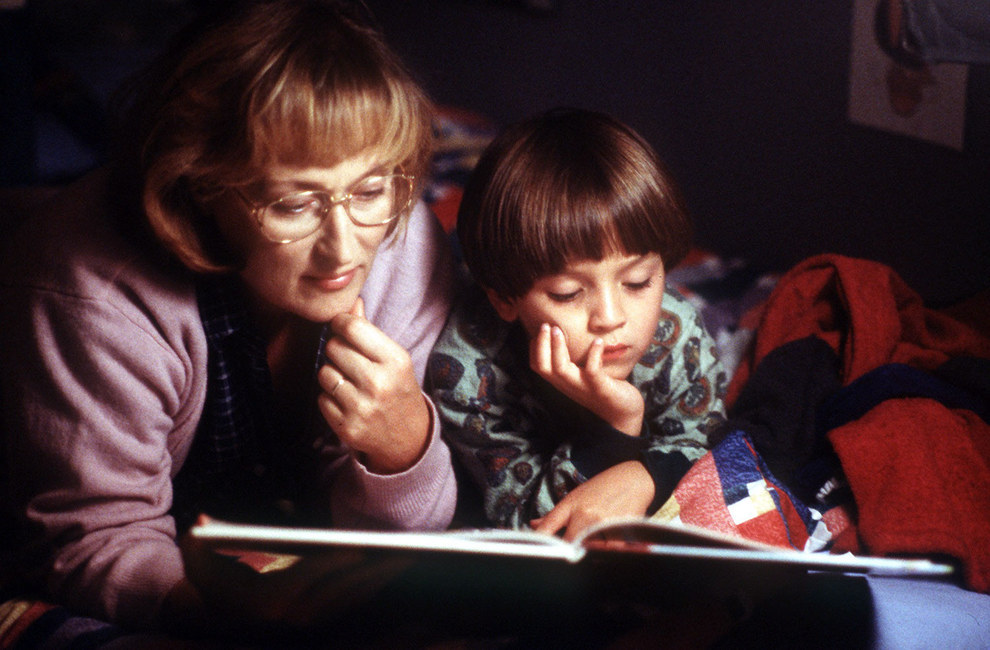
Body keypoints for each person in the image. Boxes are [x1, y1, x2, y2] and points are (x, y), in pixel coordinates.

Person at [0, 0, 456, 636]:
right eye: (295, 204)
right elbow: (92, 539)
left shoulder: (406, 244)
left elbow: (398, 543)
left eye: (370, 189)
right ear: (203, 185)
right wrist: (213, 609)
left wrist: (402, 449)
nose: (344, 250)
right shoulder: (88, 291)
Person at [428, 108, 728, 541]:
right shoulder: (467, 371)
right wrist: (616, 425)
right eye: (568, 293)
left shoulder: (676, 333)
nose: (611, 317)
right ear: (505, 299)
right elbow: (528, 525)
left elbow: (712, 454)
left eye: (637, 282)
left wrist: (644, 474)